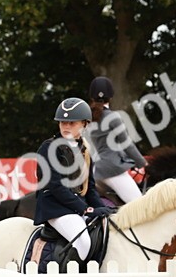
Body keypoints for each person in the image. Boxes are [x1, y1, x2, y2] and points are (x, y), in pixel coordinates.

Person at [33, 97, 111, 263]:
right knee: (82, 241)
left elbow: (89, 188)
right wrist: (85, 210)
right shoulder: (48, 148)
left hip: (74, 207)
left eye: (72, 123)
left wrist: (102, 208)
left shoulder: (86, 151)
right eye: (63, 123)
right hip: (54, 208)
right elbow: (55, 186)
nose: (66, 126)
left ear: (85, 124)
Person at [85, 76, 147, 205]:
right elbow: (127, 144)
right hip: (112, 169)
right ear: (111, 96)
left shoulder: (89, 118)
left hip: (96, 171)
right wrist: (142, 163)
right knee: (141, 205)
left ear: (92, 97)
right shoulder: (112, 117)